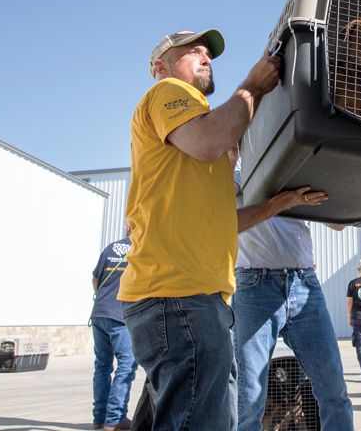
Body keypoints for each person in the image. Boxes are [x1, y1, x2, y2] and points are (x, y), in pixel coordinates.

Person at [119, 29, 280, 430]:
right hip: (180, 297)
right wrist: (252, 88)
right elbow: (209, 140)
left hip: (190, 300)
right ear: (161, 67)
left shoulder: (193, 141)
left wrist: (281, 203)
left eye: (208, 53)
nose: (205, 57)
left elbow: (227, 220)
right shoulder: (168, 92)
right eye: (192, 52)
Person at [232, 164, 354, 431]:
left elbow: (338, 224)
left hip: (304, 282)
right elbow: (218, 214)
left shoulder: (297, 166)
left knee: (333, 389)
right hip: (255, 284)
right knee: (250, 398)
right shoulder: (240, 172)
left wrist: (323, 190)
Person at [91, 227, 138, 431]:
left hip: (99, 313)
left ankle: (100, 418)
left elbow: (95, 279)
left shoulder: (110, 248)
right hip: (120, 314)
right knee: (127, 365)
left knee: (102, 366)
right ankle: (115, 419)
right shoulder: (140, 248)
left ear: (127, 228)